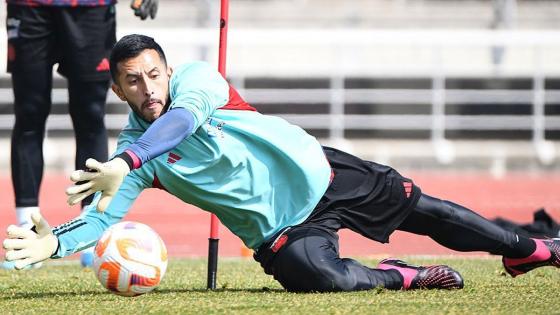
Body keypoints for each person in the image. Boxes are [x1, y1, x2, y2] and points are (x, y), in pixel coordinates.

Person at [3, 34, 559, 292]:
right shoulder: (137, 159)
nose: (148, 88)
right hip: (281, 229)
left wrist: (127, 157)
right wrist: (55, 242)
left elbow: (185, 119)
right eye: (133, 81)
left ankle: (533, 251)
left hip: (322, 174)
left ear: (168, 71)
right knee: (318, 278)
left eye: (154, 74)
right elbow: (101, 219)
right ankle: (406, 278)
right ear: (118, 90)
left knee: (433, 213)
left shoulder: (198, 81)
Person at [4, 1, 158, 268]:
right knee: (29, 114)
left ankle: (89, 232)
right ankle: (25, 233)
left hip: (91, 8)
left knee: (89, 116)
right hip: (29, 7)